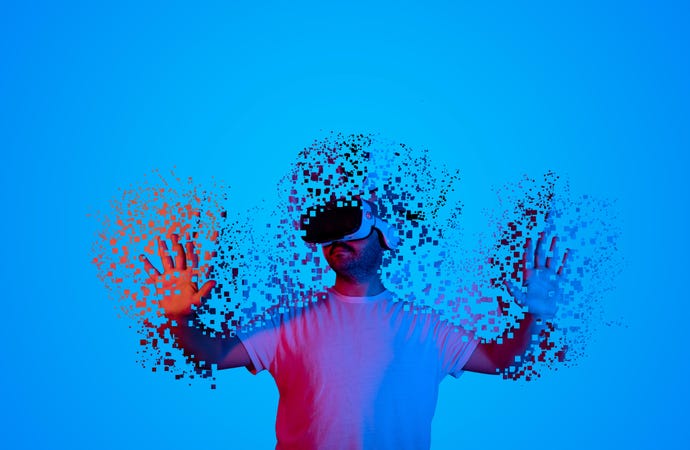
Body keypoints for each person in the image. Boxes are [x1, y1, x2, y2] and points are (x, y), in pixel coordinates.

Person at [139, 198, 565, 450]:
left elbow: (503, 361)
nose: (339, 243)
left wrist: (536, 312)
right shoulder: (290, 321)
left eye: (352, 230)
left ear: (385, 236)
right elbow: (212, 354)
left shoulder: (426, 327)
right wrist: (180, 318)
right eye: (328, 235)